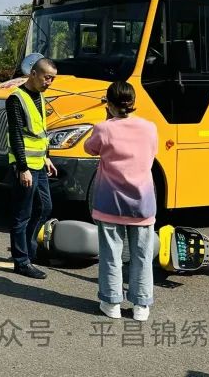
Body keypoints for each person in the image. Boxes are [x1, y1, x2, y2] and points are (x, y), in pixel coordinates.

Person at [83, 80, 158, 322]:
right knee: (142, 255)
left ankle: (111, 302)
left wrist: (107, 119)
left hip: (109, 201)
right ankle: (141, 306)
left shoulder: (103, 128)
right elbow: (152, 152)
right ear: (134, 103)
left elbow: (89, 148)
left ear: (109, 103)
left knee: (111, 254)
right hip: (143, 202)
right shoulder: (149, 128)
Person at [6, 54, 58, 279]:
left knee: (44, 207)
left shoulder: (39, 96)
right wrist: (22, 167)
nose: (49, 82)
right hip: (24, 166)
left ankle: (27, 249)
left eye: (52, 79)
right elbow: (16, 135)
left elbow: (39, 132)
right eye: (47, 78)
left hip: (39, 163)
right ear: (33, 74)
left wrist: (46, 156)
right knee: (22, 214)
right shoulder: (16, 98)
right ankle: (21, 260)